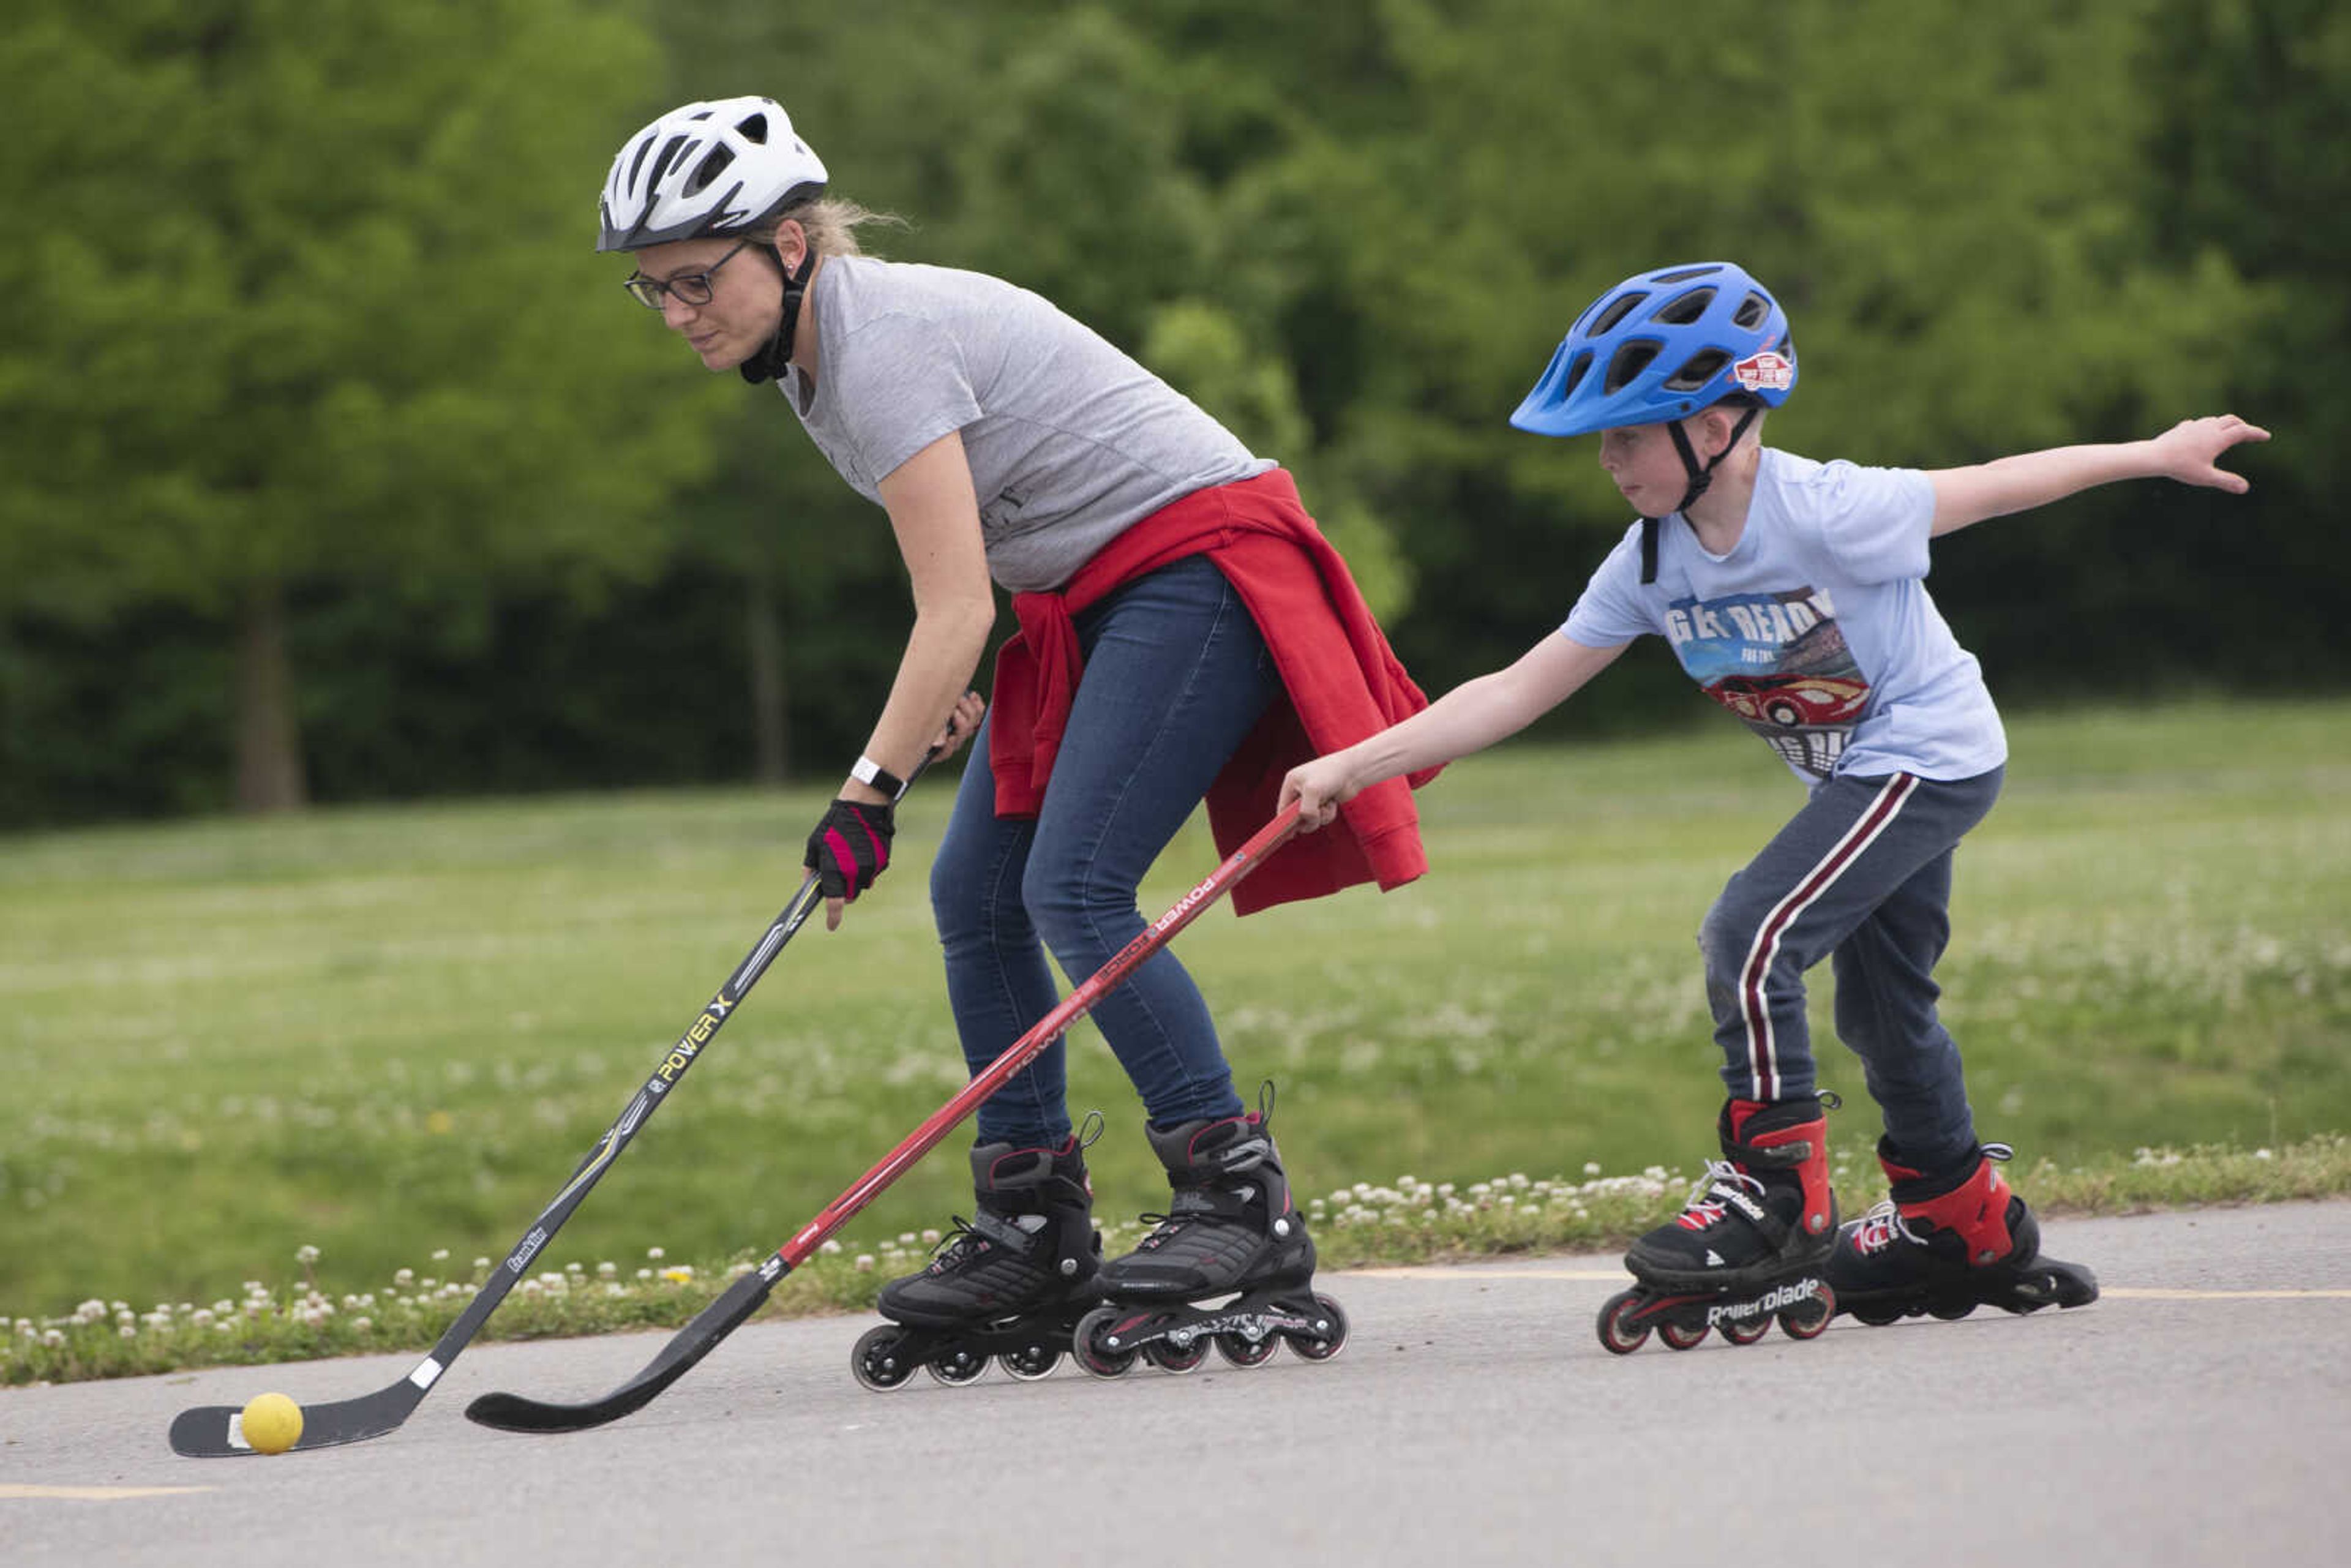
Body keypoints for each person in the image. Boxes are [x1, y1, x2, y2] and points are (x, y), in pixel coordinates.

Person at [596, 97, 1436, 1382]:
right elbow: (967, 579)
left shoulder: (877, 349)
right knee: (974, 891)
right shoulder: (812, 363)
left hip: (1198, 561)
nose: (679, 313)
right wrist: (940, 695)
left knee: (1075, 884)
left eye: (699, 278)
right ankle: (1034, 1222)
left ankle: (1239, 1203)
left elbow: (956, 606)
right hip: (1090, 594)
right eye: (655, 292)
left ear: (793, 246)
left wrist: (865, 790)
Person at [1281, 260, 2269, 1349]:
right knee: (1886, 1005)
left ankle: (1776, 1191)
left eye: (1628, 435)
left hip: (1926, 756)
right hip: (1857, 775)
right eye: (1602, 440)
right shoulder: (1651, 562)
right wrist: (1351, 765)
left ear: (1716, 426)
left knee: (1749, 934)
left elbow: (1999, 479)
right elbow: (1517, 687)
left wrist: (2157, 455)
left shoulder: (1829, 509)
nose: (1607, 461)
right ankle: (1956, 1216)